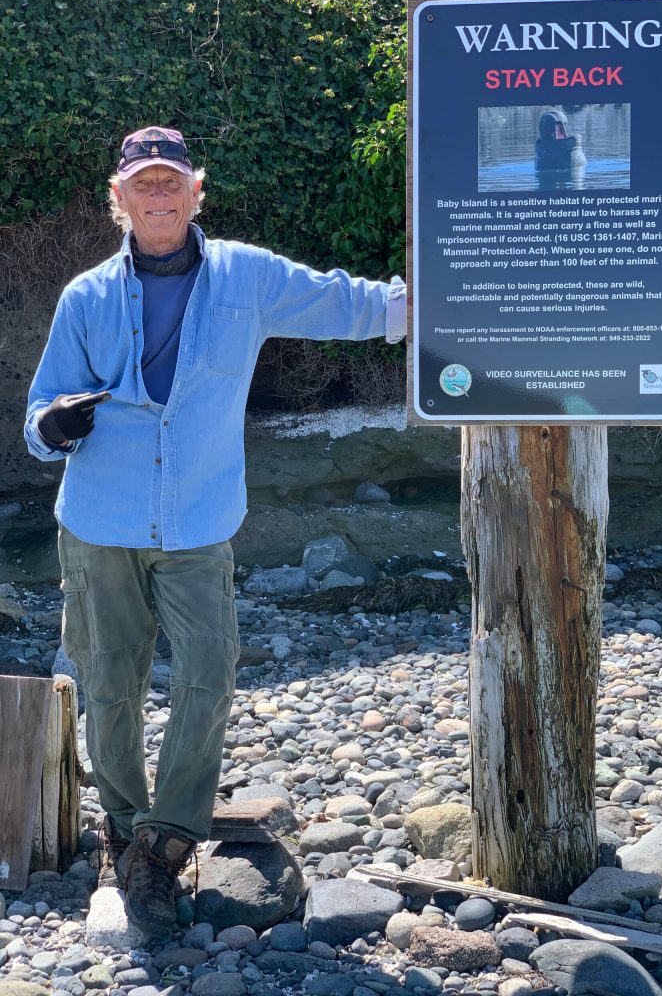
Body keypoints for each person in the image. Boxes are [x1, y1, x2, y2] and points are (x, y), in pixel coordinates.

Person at [24, 126, 405, 936]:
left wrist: (448, 301)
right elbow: (40, 409)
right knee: (108, 686)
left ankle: (167, 841)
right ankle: (124, 830)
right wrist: (50, 426)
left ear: (197, 192)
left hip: (198, 521)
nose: (158, 195)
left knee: (209, 672)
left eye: (171, 182)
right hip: (98, 522)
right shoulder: (85, 296)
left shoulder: (249, 275)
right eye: (142, 183)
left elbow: (352, 303)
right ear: (117, 199)